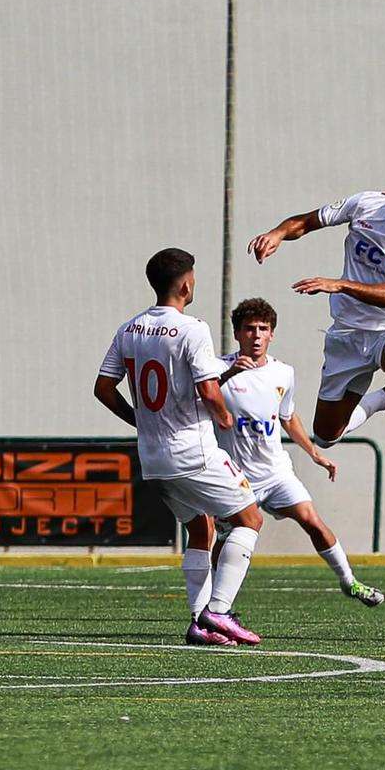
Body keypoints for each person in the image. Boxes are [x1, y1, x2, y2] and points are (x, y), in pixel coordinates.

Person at [95, 248, 265, 646]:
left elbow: (103, 388)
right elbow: (207, 389)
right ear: (187, 284)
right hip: (193, 451)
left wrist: (139, 420)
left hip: (153, 455)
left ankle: (198, 623)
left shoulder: (129, 329)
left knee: (200, 528)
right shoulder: (193, 328)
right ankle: (219, 612)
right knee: (250, 520)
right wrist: (224, 416)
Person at [247, 161, 385, 471]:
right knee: (326, 437)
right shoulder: (368, 203)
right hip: (347, 333)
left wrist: (340, 284)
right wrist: (277, 233)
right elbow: (306, 222)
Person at [183, 299, 385, 610]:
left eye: (263, 329)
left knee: (312, 521)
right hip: (235, 476)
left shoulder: (283, 373)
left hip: (276, 472)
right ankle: (215, 606)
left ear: (272, 334)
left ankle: (350, 582)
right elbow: (197, 404)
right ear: (237, 333)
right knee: (224, 540)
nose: (256, 335)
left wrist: (314, 453)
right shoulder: (218, 369)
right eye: (249, 329)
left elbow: (288, 417)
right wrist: (227, 376)